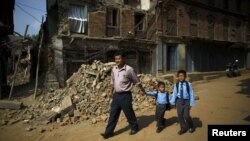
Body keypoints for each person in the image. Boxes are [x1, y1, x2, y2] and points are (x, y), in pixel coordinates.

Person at [101, 51, 146, 139]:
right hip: (116, 95)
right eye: (116, 59)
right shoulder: (114, 69)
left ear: (123, 59)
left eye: (119, 58)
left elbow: (137, 81)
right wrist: (110, 91)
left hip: (125, 95)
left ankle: (134, 127)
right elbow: (112, 81)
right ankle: (108, 132)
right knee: (113, 114)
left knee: (129, 113)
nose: (117, 60)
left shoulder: (129, 69)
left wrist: (142, 90)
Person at [170, 70, 195, 135]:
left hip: (186, 101)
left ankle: (191, 126)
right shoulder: (176, 85)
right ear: (178, 77)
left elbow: (191, 94)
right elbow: (174, 94)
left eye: (182, 76)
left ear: (185, 76)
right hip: (179, 101)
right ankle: (183, 128)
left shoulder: (188, 84)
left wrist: (191, 103)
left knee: (186, 116)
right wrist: (172, 103)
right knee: (180, 116)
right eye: (179, 76)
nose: (181, 77)